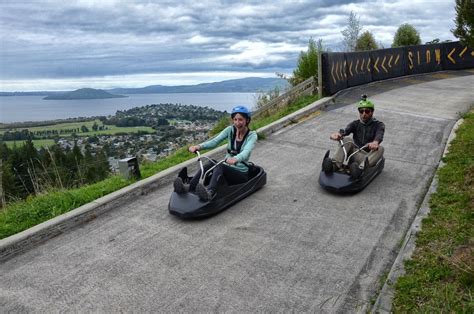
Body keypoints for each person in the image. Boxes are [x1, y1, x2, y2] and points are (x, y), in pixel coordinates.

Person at [173, 105, 258, 201]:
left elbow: (246, 152)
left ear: (247, 120)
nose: (237, 123)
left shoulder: (252, 136)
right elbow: (215, 141)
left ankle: (210, 193)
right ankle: (190, 186)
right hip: (227, 167)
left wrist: (236, 159)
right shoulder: (230, 130)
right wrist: (199, 147)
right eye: (235, 119)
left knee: (220, 166)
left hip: (241, 173)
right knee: (211, 162)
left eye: (241, 120)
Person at [324, 95, 385, 178]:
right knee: (346, 139)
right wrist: (339, 135)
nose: (364, 114)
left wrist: (375, 142)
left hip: (368, 157)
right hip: (354, 153)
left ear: (372, 112)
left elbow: (379, 134)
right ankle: (334, 165)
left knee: (380, 149)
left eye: (367, 111)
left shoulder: (379, 125)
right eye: (361, 111)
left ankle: (360, 170)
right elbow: (346, 130)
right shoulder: (355, 123)